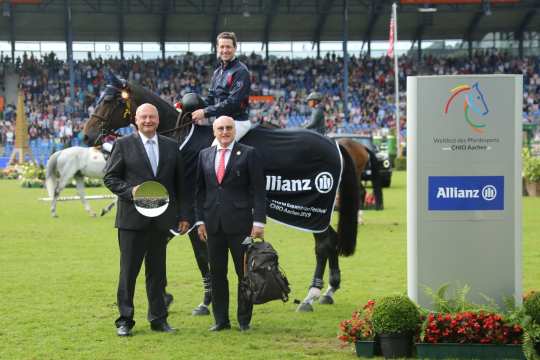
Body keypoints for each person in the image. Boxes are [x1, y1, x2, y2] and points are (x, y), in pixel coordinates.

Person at [104, 103, 190, 337]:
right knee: (128, 273)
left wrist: (183, 215)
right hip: (131, 221)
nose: (148, 121)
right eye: (144, 117)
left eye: (152, 117)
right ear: (136, 120)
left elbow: (180, 185)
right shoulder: (123, 144)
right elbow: (110, 178)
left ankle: (158, 319)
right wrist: (131, 191)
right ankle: (124, 320)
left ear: (158, 120)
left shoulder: (171, 147)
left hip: (161, 221)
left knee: (158, 273)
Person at [195, 116, 266, 332]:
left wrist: (259, 222)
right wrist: (200, 221)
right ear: (214, 132)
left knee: (243, 274)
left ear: (234, 130)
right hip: (213, 226)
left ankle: (244, 321)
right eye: (220, 128)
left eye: (228, 128)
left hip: (241, 225)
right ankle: (220, 320)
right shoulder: (204, 155)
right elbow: (199, 192)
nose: (224, 132)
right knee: (217, 274)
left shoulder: (248, 153)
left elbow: (259, 191)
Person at [191, 32, 251, 142]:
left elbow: (233, 103)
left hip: (236, 121)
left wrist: (205, 113)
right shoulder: (217, 72)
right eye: (222, 47)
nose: (225, 50)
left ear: (235, 48)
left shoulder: (241, 71)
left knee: (215, 151)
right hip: (221, 121)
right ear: (217, 48)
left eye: (228, 47)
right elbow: (210, 98)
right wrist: (193, 109)